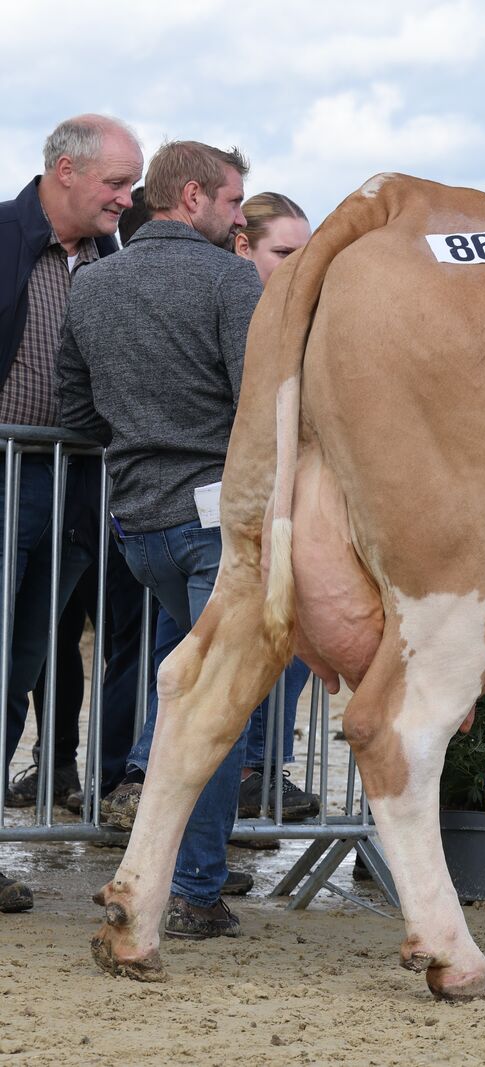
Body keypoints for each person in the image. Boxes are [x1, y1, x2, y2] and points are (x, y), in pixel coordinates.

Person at [57, 139, 260, 938]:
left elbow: (77, 410)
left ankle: (170, 858)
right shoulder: (229, 279)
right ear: (192, 197)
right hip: (214, 524)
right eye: (233, 201)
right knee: (217, 706)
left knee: (185, 693)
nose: (240, 219)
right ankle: (195, 887)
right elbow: (255, 402)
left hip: (139, 524)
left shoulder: (94, 282)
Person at [0, 114, 142, 912]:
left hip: (74, 488)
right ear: (65, 171)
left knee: (19, 667)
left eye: (133, 185)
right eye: (116, 183)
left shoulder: (110, 262)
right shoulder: (2, 236)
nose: (127, 199)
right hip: (5, 474)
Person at [231, 192, 318, 824]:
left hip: (278, 505)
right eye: (284, 253)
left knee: (290, 632)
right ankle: (248, 772)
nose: (297, 268)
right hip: (228, 505)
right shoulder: (238, 309)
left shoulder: (298, 318)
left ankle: (262, 769)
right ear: (244, 247)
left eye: (304, 255)